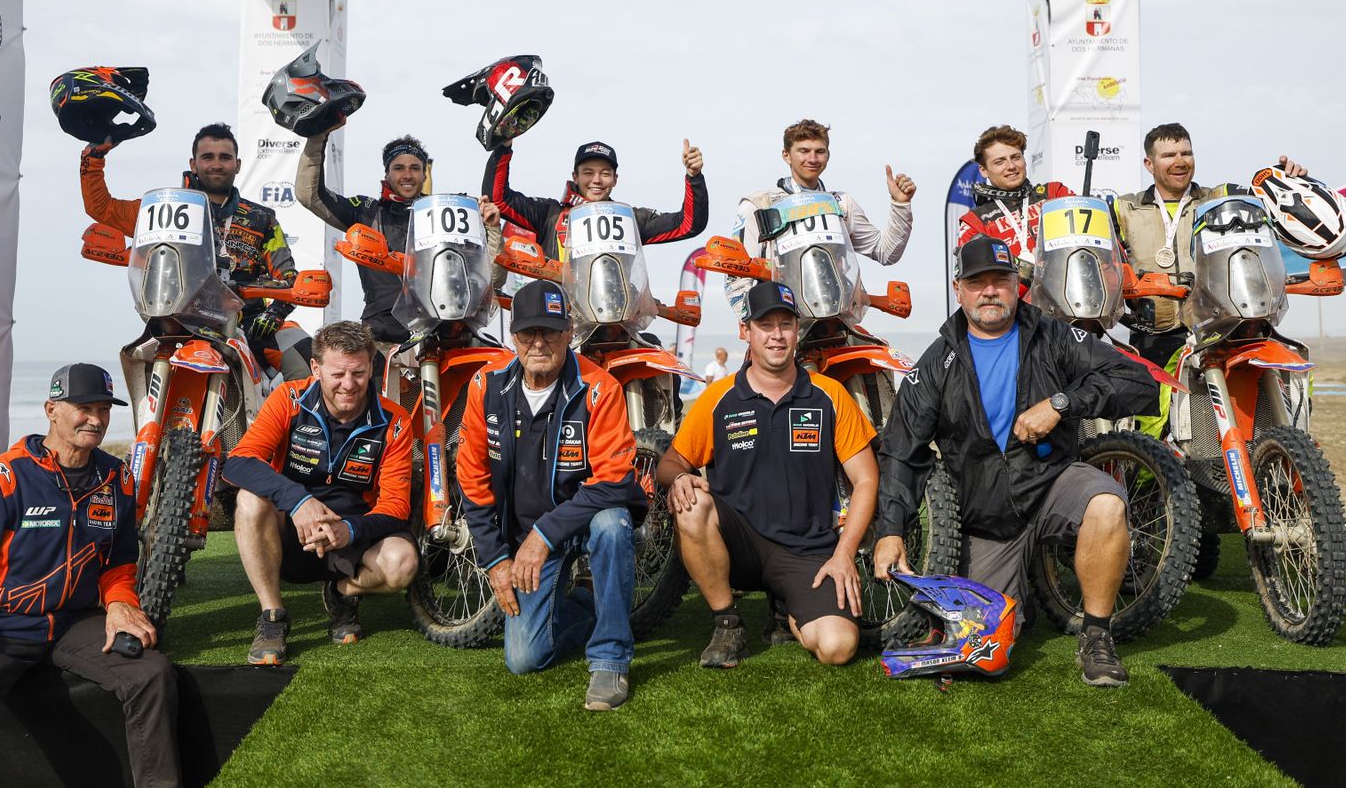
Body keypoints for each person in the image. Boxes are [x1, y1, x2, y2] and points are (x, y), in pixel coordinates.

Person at [872, 236, 1159, 688]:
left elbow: (1139, 382)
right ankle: (1021, 592)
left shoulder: (1053, 335)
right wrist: (890, 531)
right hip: (987, 518)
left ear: (1016, 285)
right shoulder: (936, 363)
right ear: (958, 289)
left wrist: (1061, 403)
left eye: (1000, 280)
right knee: (990, 650)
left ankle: (1096, 636)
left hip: (1052, 483)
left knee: (1107, 504)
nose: (990, 291)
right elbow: (901, 450)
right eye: (977, 282)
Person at [0, 364, 182, 788]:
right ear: (51, 410)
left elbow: (119, 561)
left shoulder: (117, 478)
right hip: (2, 626)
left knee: (152, 674)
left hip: (73, 622)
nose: (96, 419)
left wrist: (120, 603)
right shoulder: (5, 477)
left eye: (104, 409)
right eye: (83, 408)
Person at [658, 280, 878, 669]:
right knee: (691, 505)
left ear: (797, 331)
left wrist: (845, 554)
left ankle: (787, 607)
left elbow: (866, 479)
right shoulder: (718, 397)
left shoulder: (829, 395)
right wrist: (678, 478)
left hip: (806, 550)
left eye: (785, 324)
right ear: (745, 331)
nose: (777, 335)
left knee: (838, 647)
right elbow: (670, 462)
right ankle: (727, 623)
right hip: (737, 546)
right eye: (765, 325)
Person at [456, 280, 646, 711]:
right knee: (524, 659)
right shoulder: (486, 385)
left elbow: (616, 480)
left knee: (613, 524)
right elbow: (471, 478)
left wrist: (543, 535)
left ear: (569, 333)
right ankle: (594, 605)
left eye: (551, 332)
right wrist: (495, 560)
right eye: (529, 332)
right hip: (526, 538)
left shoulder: (599, 387)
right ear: (513, 336)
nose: (539, 343)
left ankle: (610, 659)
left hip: (578, 525)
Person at [224, 321, 418, 665]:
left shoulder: (396, 421)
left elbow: (396, 506)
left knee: (403, 563)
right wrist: (300, 501)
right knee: (249, 500)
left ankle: (341, 593)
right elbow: (239, 462)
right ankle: (272, 616)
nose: (349, 384)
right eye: (337, 374)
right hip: (291, 533)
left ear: (371, 366)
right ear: (316, 368)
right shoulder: (289, 399)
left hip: (352, 538)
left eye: (358, 373)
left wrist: (350, 530)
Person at [81, 122, 309, 379]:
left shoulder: (262, 218)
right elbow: (101, 208)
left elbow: (288, 277)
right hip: (181, 321)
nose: (216, 164)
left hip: (248, 323)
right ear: (193, 164)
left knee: (309, 357)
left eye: (225, 157)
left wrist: (274, 314)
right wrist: (94, 156)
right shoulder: (166, 209)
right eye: (208, 157)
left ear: (237, 165)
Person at [1112, 122, 1308, 370]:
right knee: (1148, 396)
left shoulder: (1220, 197)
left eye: (1186, 153)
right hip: (1152, 337)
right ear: (1149, 164)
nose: (1180, 161)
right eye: (1169, 155)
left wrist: (1290, 180)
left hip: (1219, 332)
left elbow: (1271, 198)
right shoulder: (1124, 208)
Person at [297, 127, 506, 355]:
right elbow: (310, 196)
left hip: (446, 338)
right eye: (399, 168)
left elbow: (492, 279)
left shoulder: (446, 214)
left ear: (424, 175)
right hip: (384, 340)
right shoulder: (367, 211)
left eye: (415, 168)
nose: (407, 175)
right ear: (387, 173)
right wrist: (318, 134)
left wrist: (493, 228)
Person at [726, 119, 916, 316]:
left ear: (828, 155)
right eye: (803, 151)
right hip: (783, 320)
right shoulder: (759, 205)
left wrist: (900, 204)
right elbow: (736, 279)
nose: (812, 158)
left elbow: (886, 252)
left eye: (819, 151)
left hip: (838, 319)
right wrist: (758, 322)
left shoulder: (841, 204)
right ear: (786, 155)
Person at [482, 137, 708, 262]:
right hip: (559, 319)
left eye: (605, 173)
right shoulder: (550, 213)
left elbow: (688, 224)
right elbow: (499, 201)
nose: (596, 180)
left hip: (616, 318)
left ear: (615, 179)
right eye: (588, 173)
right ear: (575, 177)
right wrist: (504, 145)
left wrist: (694, 177)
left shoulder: (629, 218)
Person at [955, 124, 1074, 291]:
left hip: (1070, 293)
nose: (1011, 166)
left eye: (1016, 157)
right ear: (983, 170)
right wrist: (1026, 270)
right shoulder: (975, 221)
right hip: (1018, 305)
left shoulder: (1054, 193)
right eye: (999, 162)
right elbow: (979, 281)